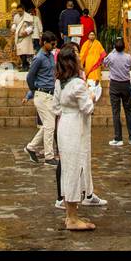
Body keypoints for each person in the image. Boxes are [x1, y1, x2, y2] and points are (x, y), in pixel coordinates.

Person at [53, 43, 99, 231]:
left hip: (64, 124)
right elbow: (88, 108)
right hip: (76, 127)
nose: (80, 57)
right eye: (77, 55)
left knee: (68, 169)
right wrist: (92, 96)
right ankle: (72, 218)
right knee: (74, 169)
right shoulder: (78, 84)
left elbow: (55, 107)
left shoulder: (59, 82)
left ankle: (70, 214)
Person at [23, 31, 58, 165]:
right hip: (42, 94)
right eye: (52, 43)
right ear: (44, 43)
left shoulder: (50, 56)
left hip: (50, 93)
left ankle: (31, 147)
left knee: (48, 125)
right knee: (50, 126)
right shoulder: (39, 58)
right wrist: (34, 90)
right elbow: (30, 76)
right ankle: (49, 157)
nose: (54, 45)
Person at [102, 36, 131, 146]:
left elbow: (104, 63)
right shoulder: (128, 57)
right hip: (126, 84)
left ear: (115, 47)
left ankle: (118, 138)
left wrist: (112, 51)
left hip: (115, 85)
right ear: (124, 47)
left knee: (116, 112)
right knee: (129, 111)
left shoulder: (111, 56)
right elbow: (130, 67)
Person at [11, 5, 35, 71]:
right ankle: (26, 65)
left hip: (25, 36)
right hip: (18, 36)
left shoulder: (28, 16)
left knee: (24, 51)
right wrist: (13, 27)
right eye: (18, 11)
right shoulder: (16, 16)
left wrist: (26, 31)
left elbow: (31, 26)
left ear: (23, 10)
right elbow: (14, 24)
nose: (19, 12)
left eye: (21, 11)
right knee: (20, 51)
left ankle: (25, 66)